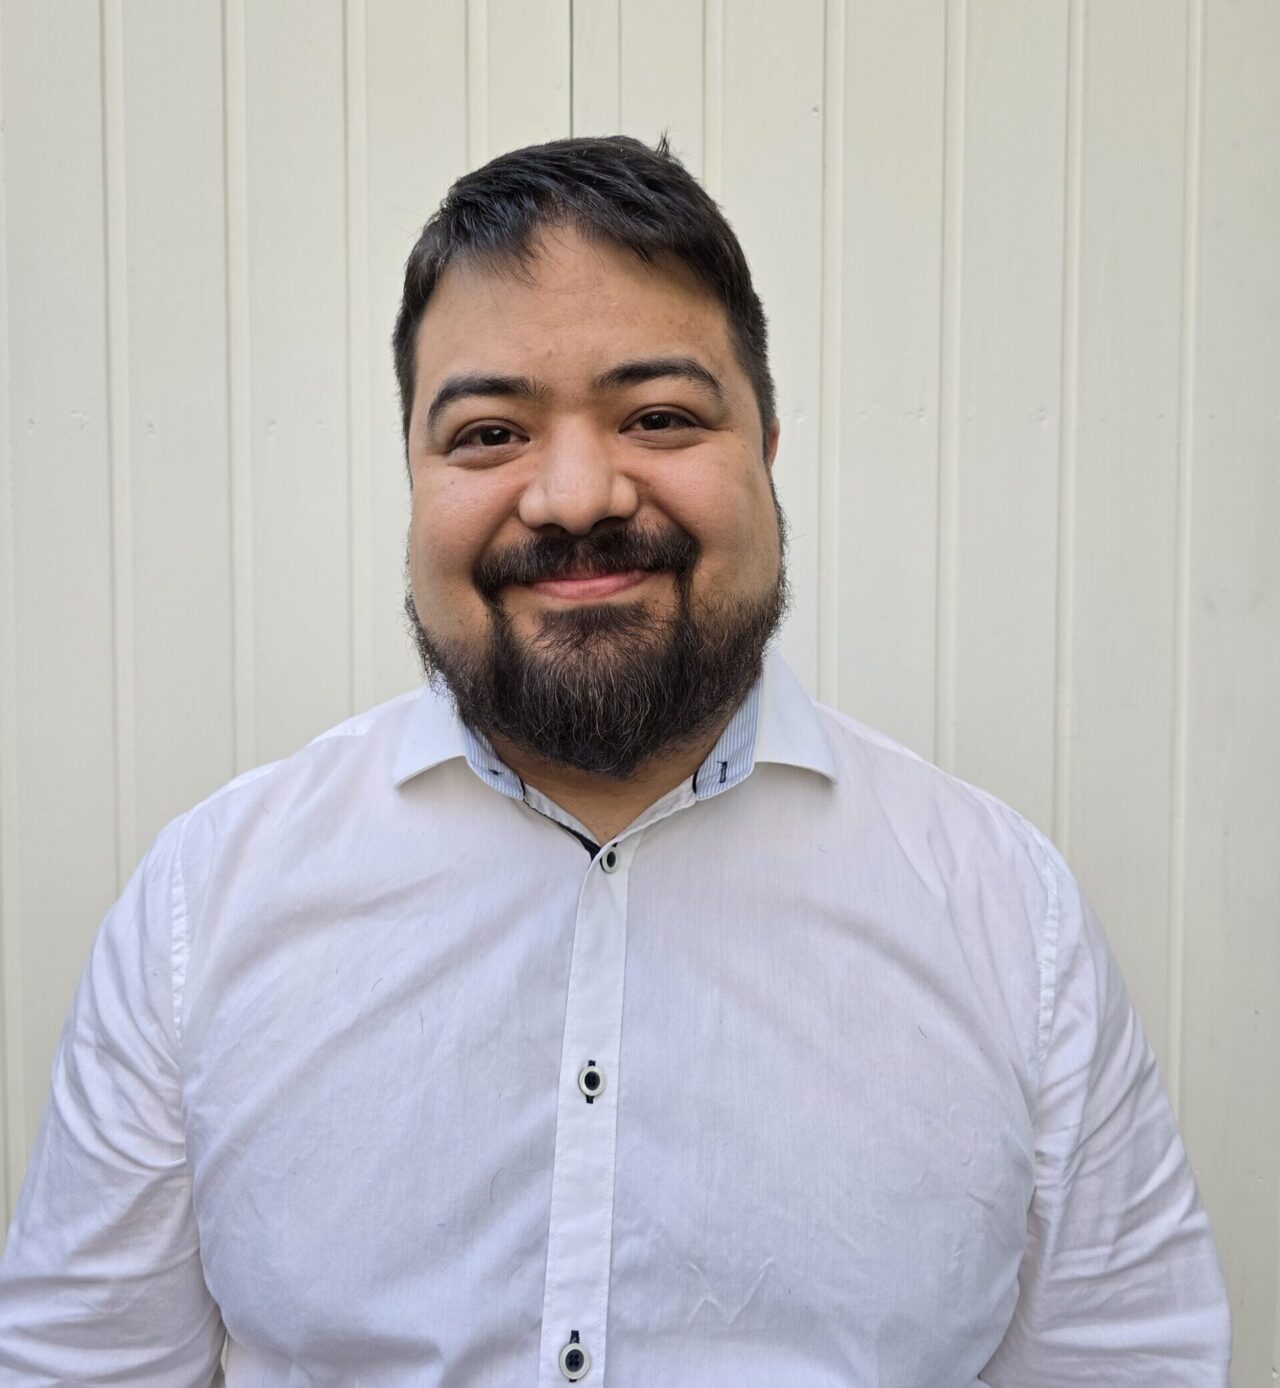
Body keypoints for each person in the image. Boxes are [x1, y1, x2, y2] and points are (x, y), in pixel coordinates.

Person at [0, 134, 1230, 1386]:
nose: (576, 494)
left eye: (657, 417)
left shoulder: (1007, 918)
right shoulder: (203, 906)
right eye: (489, 432)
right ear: (412, 475)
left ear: (766, 449)